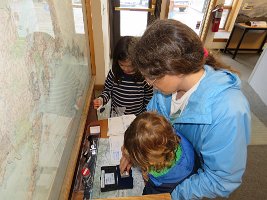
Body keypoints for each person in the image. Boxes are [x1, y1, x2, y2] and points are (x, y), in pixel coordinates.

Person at [120, 19, 251, 199]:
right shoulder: (165, 89)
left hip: (189, 187)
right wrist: (133, 148)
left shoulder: (228, 111)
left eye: (152, 77)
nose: (149, 83)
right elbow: (149, 121)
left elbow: (221, 179)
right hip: (169, 169)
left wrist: (171, 195)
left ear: (176, 69)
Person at [123, 111, 198, 195]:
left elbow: (150, 196)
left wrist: (147, 179)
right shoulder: (170, 136)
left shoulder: (160, 183)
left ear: (150, 162)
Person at [93, 36, 153, 116]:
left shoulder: (144, 77)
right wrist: (101, 100)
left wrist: (145, 114)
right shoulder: (114, 73)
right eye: (122, 65)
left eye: (130, 65)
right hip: (117, 115)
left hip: (136, 116)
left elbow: (148, 98)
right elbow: (108, 91)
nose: (126, 69)